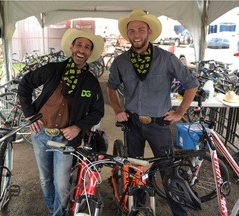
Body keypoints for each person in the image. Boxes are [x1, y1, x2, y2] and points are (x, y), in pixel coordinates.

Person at [106, 9, 199, 216]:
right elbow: (111, 87)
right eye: (132, 31)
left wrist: (180, 112)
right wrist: (118, 110)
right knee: (134, 169)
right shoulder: (121, 61)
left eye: (141, 29)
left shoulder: (166, 58)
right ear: (127, 34)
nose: (136, 34)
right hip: (133, 124)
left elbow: (191, 84)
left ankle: (179, 212)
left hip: (159, 124)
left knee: (168, 170)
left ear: (149, 31)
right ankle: (136, 206)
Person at [18, 28, 105, 216]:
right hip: (40, 134)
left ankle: (59, 212)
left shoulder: (91, 82)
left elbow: (97, 112)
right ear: (72, 47)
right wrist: (30, 114)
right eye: (79, 45)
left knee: (62, 183)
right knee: (45, 179)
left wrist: (79, 127)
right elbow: (25, 84)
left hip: (65, 140)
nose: (82, 50)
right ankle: (55, 211)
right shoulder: (53, 70)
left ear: (90, 53)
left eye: (87, 47)